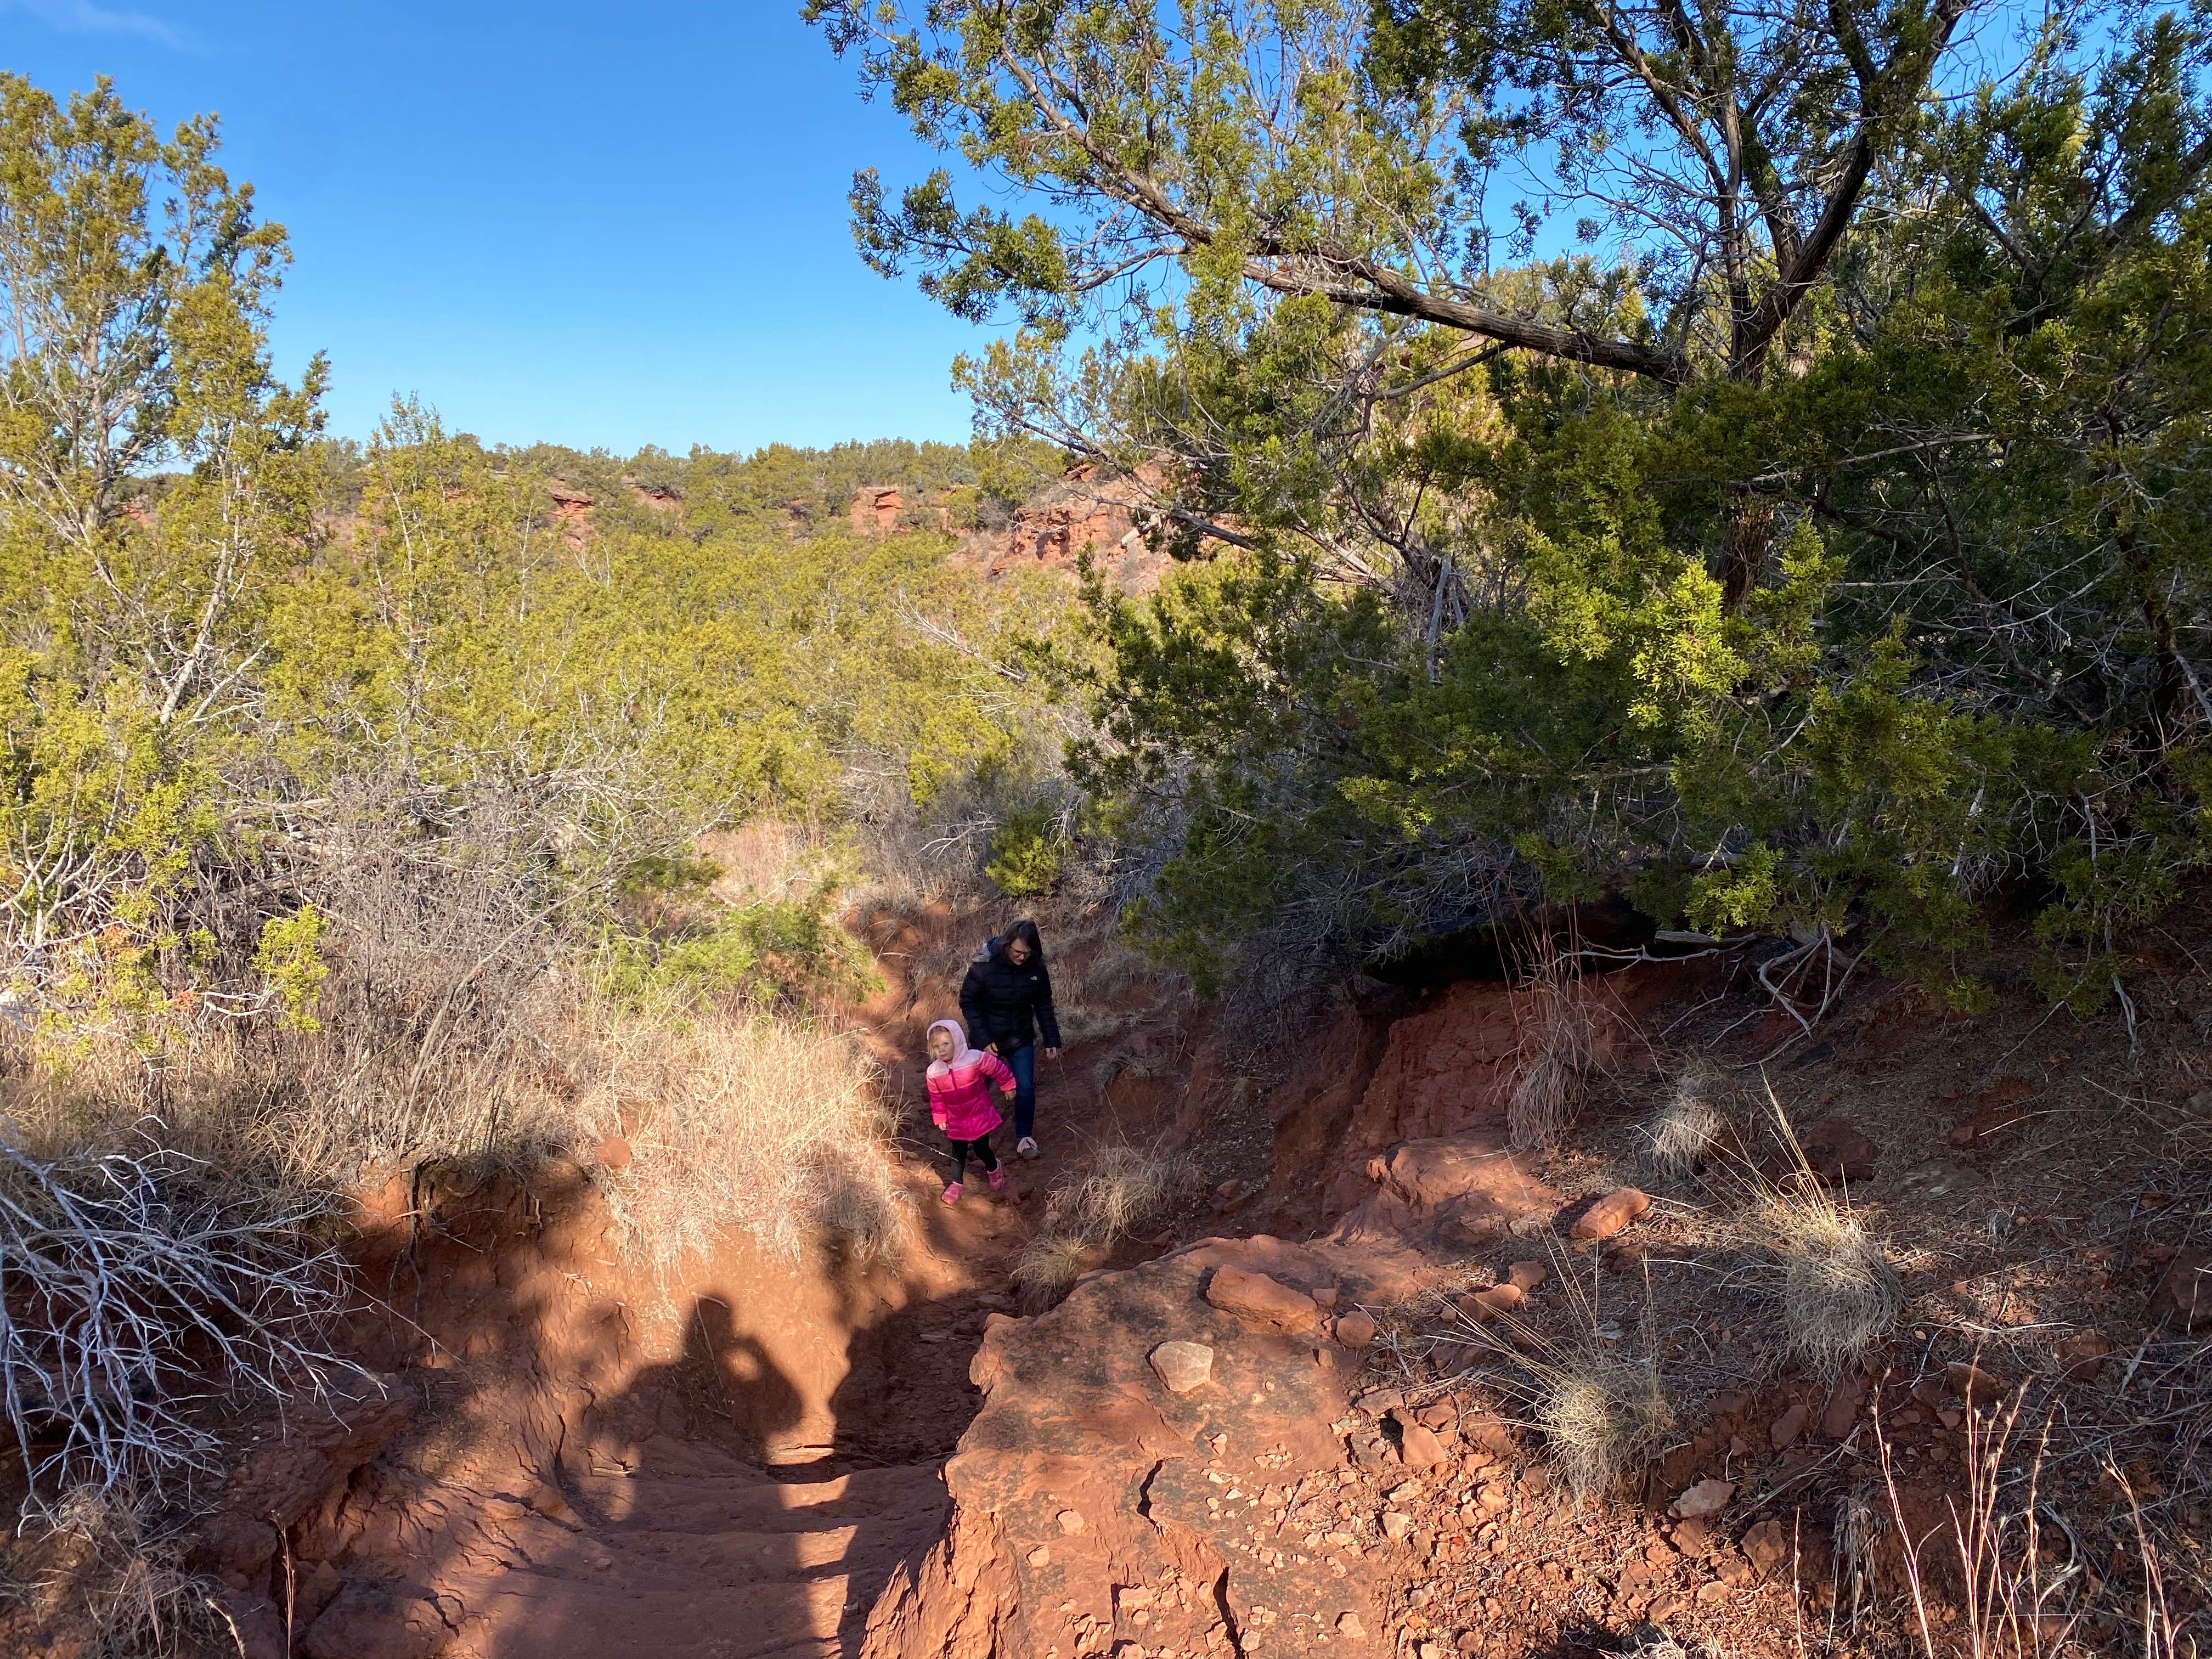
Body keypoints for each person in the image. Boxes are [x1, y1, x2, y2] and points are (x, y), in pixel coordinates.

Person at [958, 918, 1062, 1160]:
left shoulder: (1036, 967)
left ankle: (1024, 1138)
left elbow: (1043, 1004)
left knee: (1025, 1089)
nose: (1022, 957)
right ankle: (973, 1135)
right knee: (978, 1089)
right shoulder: (985, 963)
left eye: (1027, 953)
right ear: (1007, 945)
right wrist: (983, 1039)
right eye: (1017, 951)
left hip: (1020, 1035)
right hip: (987, 1037)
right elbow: (968, 1001)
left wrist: (1051, 1039)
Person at [924, 1018, 1013, 1205]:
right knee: (958, 1154)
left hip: (979, 1114)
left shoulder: (974, 1058)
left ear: (956, 1040)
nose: (942, 1049)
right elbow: (937, 1098)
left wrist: (1007, 1085)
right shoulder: (934, 1072)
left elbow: (998, 1069)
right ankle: (956, 1184)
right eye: (937, 1046)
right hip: (956, 1119)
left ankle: (993, 1168)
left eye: (946, 1044)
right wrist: (940, 1116)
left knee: (982, 1150)